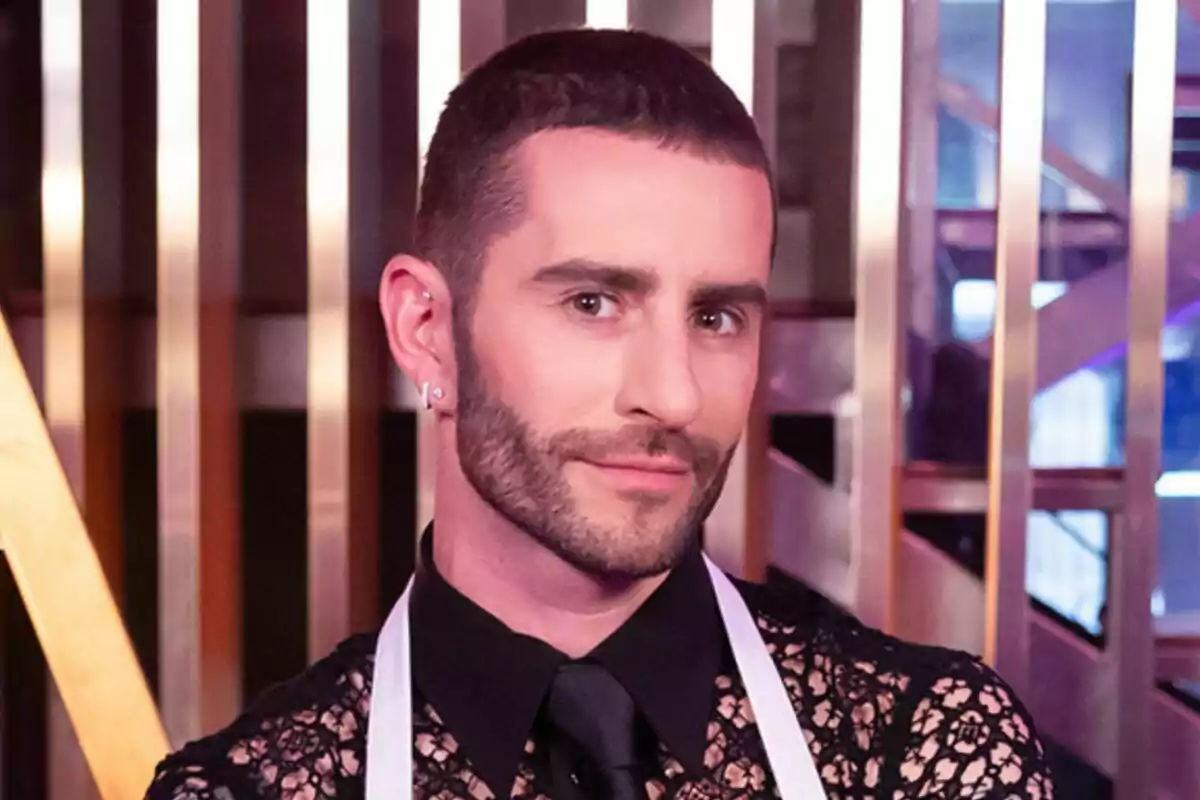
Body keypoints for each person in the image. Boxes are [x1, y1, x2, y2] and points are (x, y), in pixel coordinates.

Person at [145, 28, 1054, 799]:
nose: (674, 395)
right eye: (593, 302)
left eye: (715, 317)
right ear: (426, 328)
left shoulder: (920, 749)